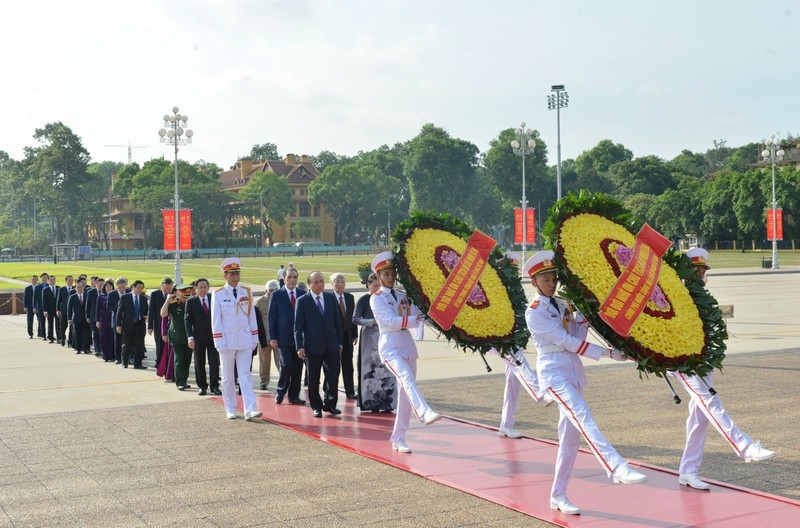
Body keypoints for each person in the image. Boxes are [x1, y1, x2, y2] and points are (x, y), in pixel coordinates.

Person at [524, 250, 646, 516]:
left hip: (572, 371)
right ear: (533, 283)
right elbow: (566, 341)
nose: (551, 283)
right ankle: (615, 466)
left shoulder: (565, 304)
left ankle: (558, 495)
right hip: (553, 373)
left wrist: (589, 313)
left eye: (553, 277)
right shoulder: (534, 312)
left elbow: (577, 331)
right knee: (582, 414)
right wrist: (608, 354)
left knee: (569, 441)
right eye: (545, 279)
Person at [670, 248, 776, 491]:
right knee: (710, 402)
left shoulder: (699, 294)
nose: (700, 273)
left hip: (703, 362)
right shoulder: (679, 295)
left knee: (699, 419)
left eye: (702, 270)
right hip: (685, 363)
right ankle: (744, 446)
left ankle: (688, 470)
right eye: (695, 269)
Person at [369, 251, 441, 454]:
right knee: (406, 378)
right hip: (390, 348)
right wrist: (414, 321)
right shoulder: (377, 299)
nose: (390, 277)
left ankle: (398, 437)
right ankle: (424, 411)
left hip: (407, 348)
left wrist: (441, 324)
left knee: (404, 393)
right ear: (379, 276)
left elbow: (421, 314)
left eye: (392, 273)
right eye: (386, 274)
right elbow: (391, 322)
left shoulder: (403, 296)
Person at [211, 257, 262, 421]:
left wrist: (255, 338)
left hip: (245, 339)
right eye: (232, 274)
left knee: (245, 374)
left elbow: (251, 316)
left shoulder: (246, 292)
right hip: (227, 341)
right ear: (225, 276)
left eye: (237, 273)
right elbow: (216, 321)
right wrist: (219, 342)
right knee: (227, 377)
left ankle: (250, 408)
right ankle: (230, 407)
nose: (235, 277)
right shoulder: (218, 294)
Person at [295, 271, 343, 418]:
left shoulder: (330, 298)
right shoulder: (302, 301)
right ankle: (316, 406)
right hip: (313, 346)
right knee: (313, 379)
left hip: (331, 345)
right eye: (315, 282)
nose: (319, 284)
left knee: (333, 376)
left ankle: (330, 404)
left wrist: (339, 342)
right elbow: (298, 326)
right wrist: (300, 346)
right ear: (309, 284)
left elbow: (338, 322)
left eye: (321, 281)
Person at [354, 272, 396, 412]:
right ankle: (371, 402)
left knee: (385, 367)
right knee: (371, 368)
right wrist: (371, 322)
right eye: (375, 285)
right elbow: (355, 319)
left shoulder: (384, 298)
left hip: (385, 334)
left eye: (380, 286)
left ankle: (386, 401)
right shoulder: (364, 300)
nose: (378, 288)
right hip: (369, 337)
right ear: (368, 285)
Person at [268, 266, 305, 405]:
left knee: (297, 367)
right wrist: (272, 337)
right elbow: (271, 317)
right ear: (284, 279)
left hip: (299, 339)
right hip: (283, 337)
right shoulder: (277, 295)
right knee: (286, 364)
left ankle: (294, 395)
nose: (292, 280)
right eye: (289, 277)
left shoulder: (302, 294)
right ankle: (280, 391)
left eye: (294, 277)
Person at [186, 278, 221, 396]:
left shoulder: (214, 299)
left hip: (214, 337)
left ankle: (215, 386)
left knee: (214, 362)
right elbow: (188, 321)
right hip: (198, 337)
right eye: (200, 287)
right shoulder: (191, 302)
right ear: (196, 289)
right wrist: (190, 337)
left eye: (205, 287)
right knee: (199, 362)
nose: (203, 289)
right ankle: (202, 386)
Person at [330, 273, 358, 399]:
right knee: (333, 367)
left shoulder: (349, 297)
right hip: (334, 338)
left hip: (347, 337)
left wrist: (354, 334)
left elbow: (352, 317)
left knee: (348, 366)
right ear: (332, 284)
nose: (340, 284)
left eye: (342, 281)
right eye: (337, 282)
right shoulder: (328, 298)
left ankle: (350, 391)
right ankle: (330, 391)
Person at [162, 283, 194, 391]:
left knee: (187, 360)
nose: (185, 299)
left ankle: (184, 380)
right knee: (179, 360)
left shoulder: (190, 303)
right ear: (178, 293)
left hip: (189, 336)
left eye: (187, 296)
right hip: (176, 336)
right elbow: (163, 314)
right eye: (184, 296)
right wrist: (167, 299)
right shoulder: (173, 303)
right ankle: (180, 382)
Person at [116, 280, 149, 370]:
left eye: (141, 288)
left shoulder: (143, 299)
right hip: (128, 324)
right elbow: (119, 312)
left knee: (139, 345)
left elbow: (146, 311)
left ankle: (138, 363)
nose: (140, 289)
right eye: (138, 287)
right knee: (127, 344)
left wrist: (146, 316)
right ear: (133, 287)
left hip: (139, 324)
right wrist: (118, 325)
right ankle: (125, 361)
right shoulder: (125, 297)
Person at [255, 280, 280, 391]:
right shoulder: (260, 302)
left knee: (281, 361)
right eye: (270, 291)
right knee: (264, 361)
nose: (272, 293)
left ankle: (284, 380)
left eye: (275, 290)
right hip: (264, 337)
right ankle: (264, 381)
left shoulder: (281, 301)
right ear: (266, 290)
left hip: (278, 337)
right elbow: (256, 321)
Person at [148, 277, 173, 370]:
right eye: (166, 288)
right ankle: (159, 362)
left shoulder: (173, 294)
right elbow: (151, 311)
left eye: (169, 289)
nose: (167, 290)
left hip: (170, 324)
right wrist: (150, 327)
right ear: (161, 286)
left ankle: (168, 363)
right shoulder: (155, 294)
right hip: (158, 324)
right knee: (159, 345)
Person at [106, 277, 128, 364]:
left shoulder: (129, 292)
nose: (122, 289)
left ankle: (127, 357)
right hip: (116, 320)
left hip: (127, 320)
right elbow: (108, 307)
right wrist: (119, 306)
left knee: (127, 340)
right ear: (117, 286)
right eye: (120, 287)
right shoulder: (112, 294)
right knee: (117, 340)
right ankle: (118, 357)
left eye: (124, 287)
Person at [67, 278, 91, 355]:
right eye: (78, 287)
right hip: (76, 319)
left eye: (81, 287)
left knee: (85, 334)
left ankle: (86, 348)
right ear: (75, 288)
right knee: (77, 334)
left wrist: (89, 317)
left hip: (85, 318)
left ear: (83, 287)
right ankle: (78, 349)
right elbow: (69, 308)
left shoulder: (87, 295)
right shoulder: (72, 297)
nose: (80, 289)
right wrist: (69, 319)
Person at [96, 279, 116, 362]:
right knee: (104, 337)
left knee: (112, 337)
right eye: (107, 286)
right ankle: (106, 355)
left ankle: (113, 354)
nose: (109, 288)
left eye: (110, 286)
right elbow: (97, 309)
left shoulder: (115, 296)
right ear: (104, 287)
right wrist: (97, 320)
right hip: (104, 319)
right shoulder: (101, 296)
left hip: (113, 319)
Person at [56, 275, 74, 347]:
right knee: (63, 327)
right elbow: (58, 300)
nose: (71, 282)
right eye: (69, 280)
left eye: (72, 280)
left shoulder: (75, 289)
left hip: (72, 312)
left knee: (71, 328)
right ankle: (63, 338)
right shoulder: (62, 289)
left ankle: (70, 341)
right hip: (64, 311)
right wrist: (58, 310)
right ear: (66, 281)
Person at [42, 275, 59, 344]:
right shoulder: (45, 290)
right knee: (50, 324)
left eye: (53, 280)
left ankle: (59, 337)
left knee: (58, 325)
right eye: (51, 280)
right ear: (48, 281)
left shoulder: (58, 288)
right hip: (49, 310)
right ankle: (51, 337)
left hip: (57, 310)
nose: (52, 281)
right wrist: (45, 311)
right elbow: (44, 301)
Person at [34, 273, 49, 339]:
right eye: (43, 277)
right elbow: (34, 298)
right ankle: (43, 335)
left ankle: (50, 335)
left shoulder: (49, 286)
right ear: (41, 278)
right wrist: (34, 307)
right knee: (42, 322)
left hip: (48, 307)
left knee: (50, 322)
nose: (44, 279)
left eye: (46, 277)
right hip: (40, 307)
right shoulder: (37, 287)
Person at [23, 275, 38, 339]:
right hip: (29, 307)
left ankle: (41, 333)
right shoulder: (27, 288)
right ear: (30, 280)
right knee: (29, 321)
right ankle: (30, 333)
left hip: (38, 307)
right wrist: (25, 306)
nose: (34, 280)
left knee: (40, 320)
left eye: (35, 279)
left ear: (37, 280)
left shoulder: (39, 287)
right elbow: (25, 298)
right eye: (33, 279)